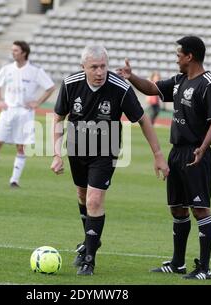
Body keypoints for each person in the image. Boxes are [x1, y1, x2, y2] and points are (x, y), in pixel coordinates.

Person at [51, 45, 169, 276]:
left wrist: (158, 155)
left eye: (103, 66)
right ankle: (90, 239)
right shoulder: (70, 84)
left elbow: (144, 120)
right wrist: (57, 154)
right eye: (94, 67)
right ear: (83, 67)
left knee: (94, 201)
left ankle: (89, 259)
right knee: (82, 196)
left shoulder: (120, 88)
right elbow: (59, 116)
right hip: (76, 148)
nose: (99, 71)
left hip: (106, 150)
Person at [117, 36, 211, 280]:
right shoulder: (180, 80)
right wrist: (130, 77)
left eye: (179, 54)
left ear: (190, 57)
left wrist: (203, 148)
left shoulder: (209, 84)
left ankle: (204, 268)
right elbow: (152, 88)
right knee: (177, 208)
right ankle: (178, 263)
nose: (176, 58)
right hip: (176, 151)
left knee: (200, 209)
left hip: (197, 151)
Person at [0, 41, 55, 188]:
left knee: (21, 147)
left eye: (15, 50)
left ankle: (14, 180)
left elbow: (50, 87)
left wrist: (38, 102)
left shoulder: (35, 71)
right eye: (12, 50)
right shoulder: (7, 69)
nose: (12, 52)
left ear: (24, 53)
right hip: (8, 111)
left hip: (25, 113)